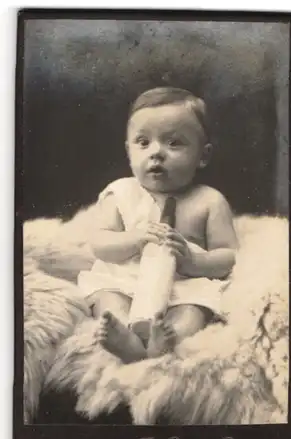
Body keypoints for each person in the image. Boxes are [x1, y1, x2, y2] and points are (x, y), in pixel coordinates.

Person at [78, 87, 238, 363]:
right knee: (108, 299)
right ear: (129, 152)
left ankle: (165, 340)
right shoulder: (121, 193)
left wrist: (193, 262)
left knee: (194, 310)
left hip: (183, 285)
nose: (156, 153)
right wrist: (135, 238)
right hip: (126, 279)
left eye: (174, 143)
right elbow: (100, 244)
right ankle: (126, 339)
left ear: (203, 155)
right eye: (143, 142)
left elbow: (228, 255)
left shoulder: (209, 201)